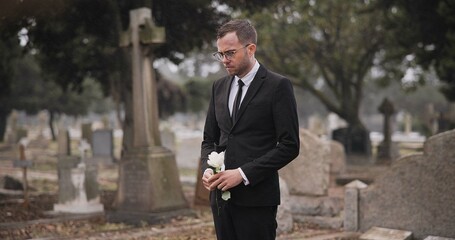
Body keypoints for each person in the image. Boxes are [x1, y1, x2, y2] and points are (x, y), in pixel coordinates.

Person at [200, 19, 300, 240]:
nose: (224, 60)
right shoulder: (219, 87)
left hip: (258, 200)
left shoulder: (278, 86)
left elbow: (290, 146)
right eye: (220, 54)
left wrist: (243, 174)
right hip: (220, 200)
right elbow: (209, 139)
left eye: (230, 53)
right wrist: (207, 170)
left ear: (250, 48)